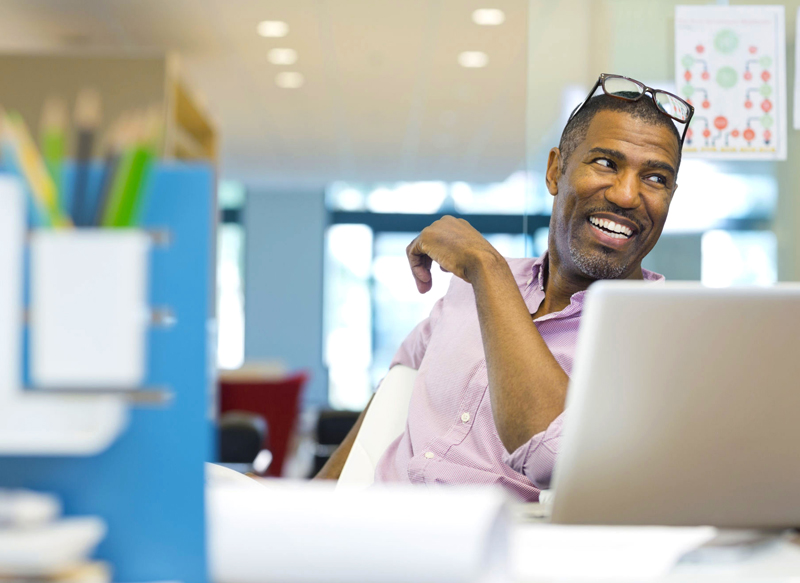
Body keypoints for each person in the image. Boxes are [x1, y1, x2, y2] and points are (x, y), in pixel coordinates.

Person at [315, 74, 693, 501]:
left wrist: (487, 269)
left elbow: (557, 456)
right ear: (555, 171)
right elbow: (395, 389)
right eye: (606, 163)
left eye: (656, 178)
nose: (627, 195)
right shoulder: (465, 292)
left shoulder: (663, 333)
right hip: (366, 532)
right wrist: (311, 500)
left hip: (490, 558)